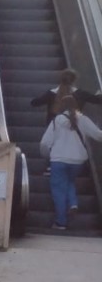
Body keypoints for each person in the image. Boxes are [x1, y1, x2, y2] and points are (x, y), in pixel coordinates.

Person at [39, 95, 102, 231]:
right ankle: (73, 203)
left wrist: (48, 155)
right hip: (77, 161)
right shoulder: (83, 119)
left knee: (58, 190)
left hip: (58, 160)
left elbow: (44, 143)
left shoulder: (57, 120)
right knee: (69, 181)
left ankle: (61, 222)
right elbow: (98, 135)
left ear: (61, 106)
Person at [30, 67, 102, 124]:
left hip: (54, 127)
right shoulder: (81, 94)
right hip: (74, 126)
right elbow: (97, 100)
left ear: (61, 79)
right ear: (74, 80)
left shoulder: (51, 94)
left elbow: (34, 103)